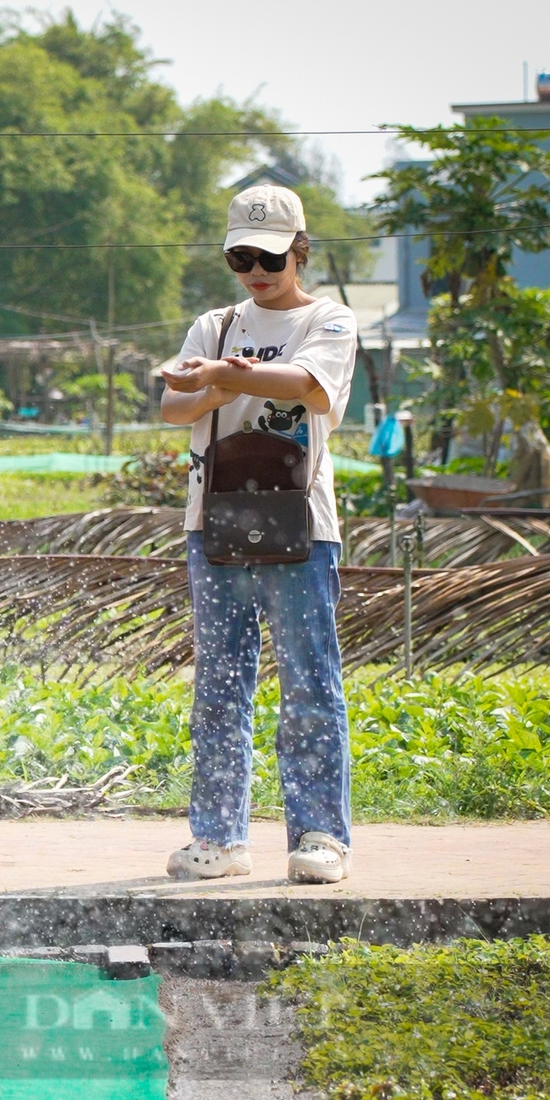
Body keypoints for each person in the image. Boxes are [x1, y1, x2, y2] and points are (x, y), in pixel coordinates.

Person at [158, 184, 357, 885]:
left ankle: (322, 834)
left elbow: (308, 384)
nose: (257, 270)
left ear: (300, 249)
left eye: (270, 256)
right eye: (242, 256)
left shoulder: (329, 321)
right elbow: (172, 405)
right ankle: (218, 836)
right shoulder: (213, 325)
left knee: (309, 682)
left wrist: (225, 376)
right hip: (214, 521)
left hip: (301, 526)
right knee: (219, 683)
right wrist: (215, 382)